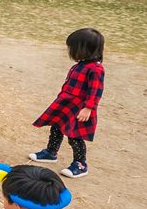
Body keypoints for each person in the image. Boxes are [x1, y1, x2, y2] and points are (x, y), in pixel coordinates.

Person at [29, 28, 104, 178]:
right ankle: (51, 152)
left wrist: (88, 108)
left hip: (80, 108)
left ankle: (80, 164)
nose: (70, 51)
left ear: (83, 49)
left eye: (72, 48)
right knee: (56, 128)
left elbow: (95, 90)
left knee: (74, 136)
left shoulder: (95, 69)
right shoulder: (81, 65)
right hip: (66, 105)